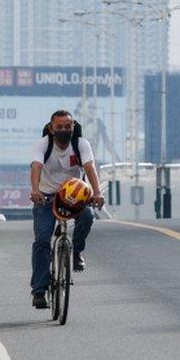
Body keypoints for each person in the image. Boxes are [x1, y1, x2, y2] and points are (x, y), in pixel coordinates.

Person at [29, 110, 105, 309]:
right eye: (59, 127)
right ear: (51, 128)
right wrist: (35, 190)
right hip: (46, 197)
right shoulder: (43, 145)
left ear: (73, 128)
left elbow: (89, 167)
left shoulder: (80, 144)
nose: (64, 130)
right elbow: (36, 167)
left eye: (67, 127)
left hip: (75, 197)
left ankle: (77, 251)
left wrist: (97, 192)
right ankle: (39, 290)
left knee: (88, 217)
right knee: (42, 240)